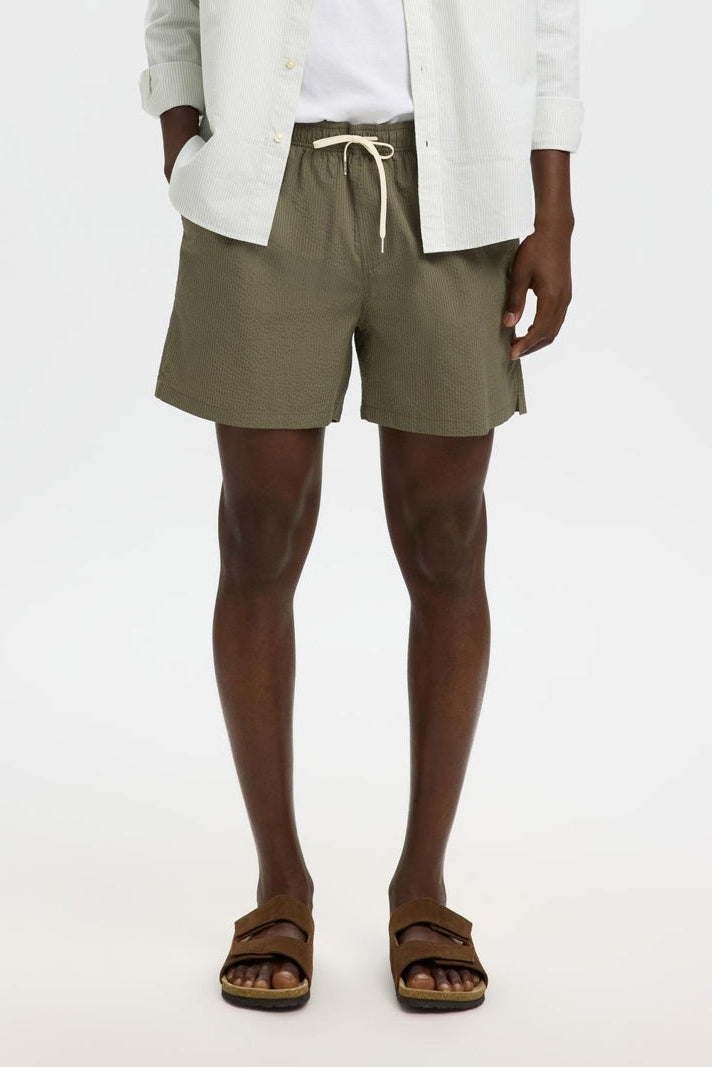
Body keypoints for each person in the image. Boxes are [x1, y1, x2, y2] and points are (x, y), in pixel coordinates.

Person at [139, 0, 583, 1012]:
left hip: (454, 186)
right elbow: (171, 14)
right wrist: (187, 152)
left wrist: (554, 209)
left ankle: (423, 883)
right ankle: (278, 883)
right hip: (262, 188)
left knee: (448, 539)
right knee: (258, 530)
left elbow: (549, 20)